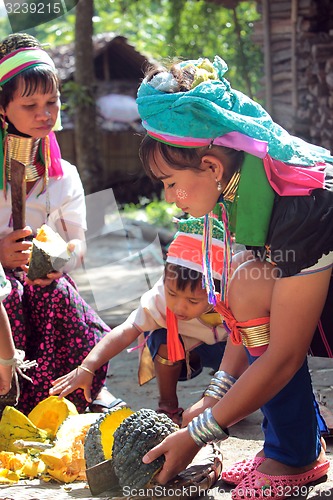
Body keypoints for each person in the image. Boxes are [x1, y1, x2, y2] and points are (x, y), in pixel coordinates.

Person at [135, 56, 333, 499]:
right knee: (246, 279)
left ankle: (294, 454)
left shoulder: (301, 201)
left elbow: (283, 354)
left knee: (249, 281)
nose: (168, 197)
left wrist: (199, 433)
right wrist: (215, 394)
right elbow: (247, 309)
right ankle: (295, 447)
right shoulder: (243, 187)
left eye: (169, 182)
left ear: (210, 166)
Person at [0, 32, 122, 414]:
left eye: (51, 102)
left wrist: (62, 259)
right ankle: (10, 394)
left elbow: (79, 241)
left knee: (58, 297)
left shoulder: (64, 175)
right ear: (2, 111)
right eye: (30, 104)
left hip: (42, 283)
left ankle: (71, 393)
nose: (44, 113)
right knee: (9, 296)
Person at [50, 217, 248, 422]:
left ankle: (225, 393)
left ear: (216, 289)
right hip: (188, 352)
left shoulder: (236, 297)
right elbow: (126, 330)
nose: (179, 307)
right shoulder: (161, 298)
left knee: (234, 393)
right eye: (172, 293)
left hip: (230, 352)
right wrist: (88, 366)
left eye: (192, 300)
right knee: (160, 336)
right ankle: (168, 406)